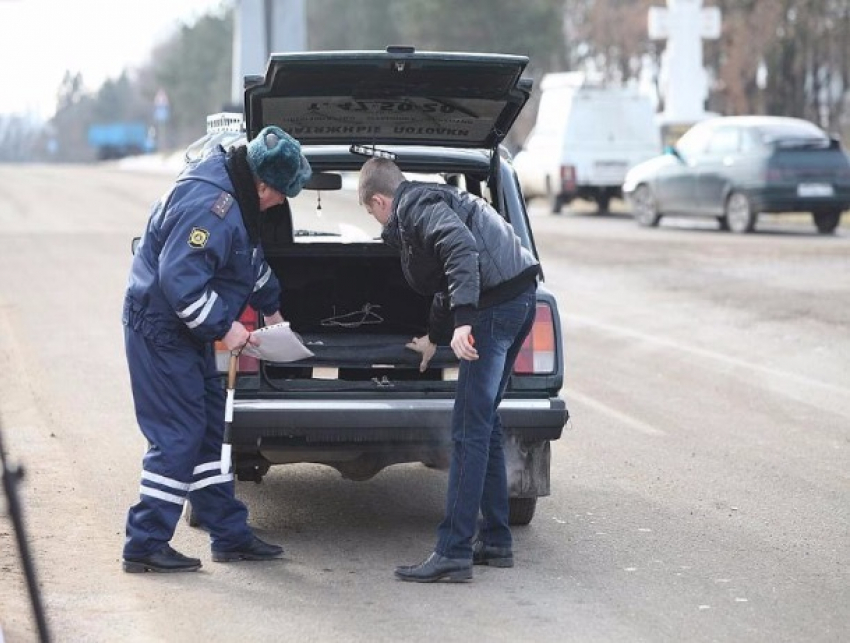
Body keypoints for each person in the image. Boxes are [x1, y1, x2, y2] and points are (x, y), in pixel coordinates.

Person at [121, 125, 311, 573]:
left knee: (209, 428)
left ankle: (226, 530)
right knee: (178, 434)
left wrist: (272, 312)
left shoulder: (238, 195)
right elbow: (179, 283)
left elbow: (248, 260)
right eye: (281, 194)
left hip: (186, 333)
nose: (282, 202)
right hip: (162, 331)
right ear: (263, 185)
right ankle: (145, 543)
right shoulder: (214, 207)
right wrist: (225, 328)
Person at [358, 158, 540, 583]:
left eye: (371, 212)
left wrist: (464, 320)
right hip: (520, 298)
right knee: (485, 422)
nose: (377, 220)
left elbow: (460, 249)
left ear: (381, 200)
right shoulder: (431, 199)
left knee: (466, 429)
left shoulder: (415, 206)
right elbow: (445, 279)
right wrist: (436, 337)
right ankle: (495, 540)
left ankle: (453, 551)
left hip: (495, 311)